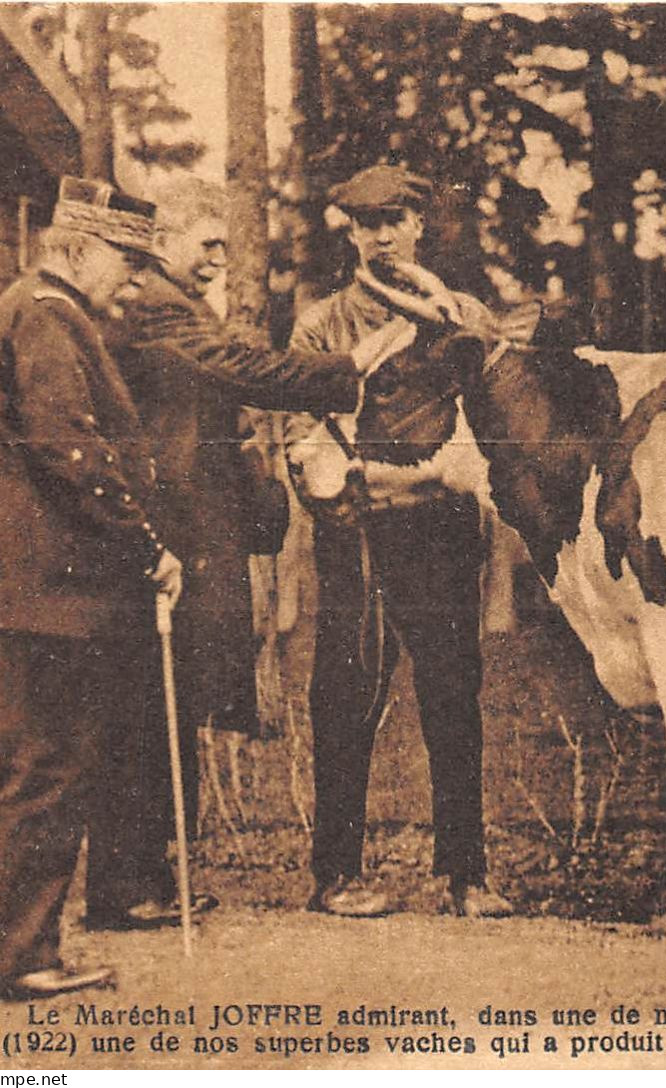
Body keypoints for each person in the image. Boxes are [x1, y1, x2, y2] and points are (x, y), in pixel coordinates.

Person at [82, 175, 423, 932]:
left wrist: (260, 502)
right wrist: (349, 367)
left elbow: (223, 415)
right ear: (163, 240)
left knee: (166, 705)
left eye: (222, 248)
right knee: (150, 707)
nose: (216, 261)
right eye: (206, 245)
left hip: (195, 534)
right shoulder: (158, 307)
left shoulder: (175, 307)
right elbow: (249, 373)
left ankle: (143, 878)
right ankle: (127, 886)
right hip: (164, 537)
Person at [0, 178, 172, 1000]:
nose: (135, 282)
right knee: (50, 769)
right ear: (72, 249)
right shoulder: (49, 318)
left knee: (24, 766)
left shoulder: (22, 309)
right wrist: (148, 548)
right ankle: (21, 958)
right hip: (56, 595)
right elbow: (72, 453)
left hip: (25, 587)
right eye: (126, 262)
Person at [285, 164, 512, 919]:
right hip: (357, 537)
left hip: (442, 536)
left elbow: (487, 425)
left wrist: (450, 479)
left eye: (396, 219)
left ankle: (466, 876)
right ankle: (336, 874)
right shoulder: (322, 324)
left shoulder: (463, 313)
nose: (382, 234)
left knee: (454, 693)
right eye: (365, 222)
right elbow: (303, 440)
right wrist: (366, 485)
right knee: (346, 694)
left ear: (419, 224)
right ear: (346, 231)